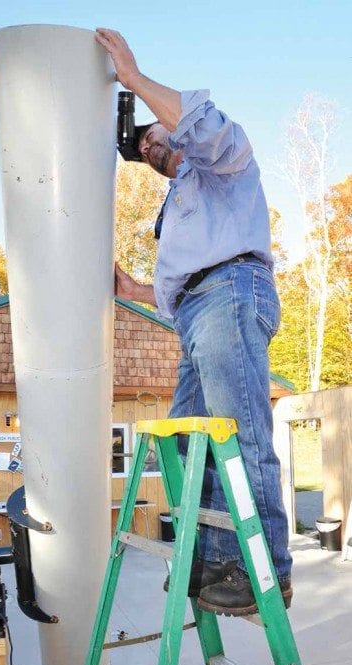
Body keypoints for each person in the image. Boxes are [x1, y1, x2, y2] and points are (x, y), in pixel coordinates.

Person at [96, 28, 292, 616]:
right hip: (197, 309)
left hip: (232, 291)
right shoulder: (177, 208)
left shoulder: (222, 167)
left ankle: (267, 571)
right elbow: (171, 289)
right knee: (189, 443)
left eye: (157, 140)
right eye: (148, 154)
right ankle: (210, 560)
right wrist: (128, 287)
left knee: (239, 430)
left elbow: (202, 126)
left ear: (172, 129)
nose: (154, 151)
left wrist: (132, 79)